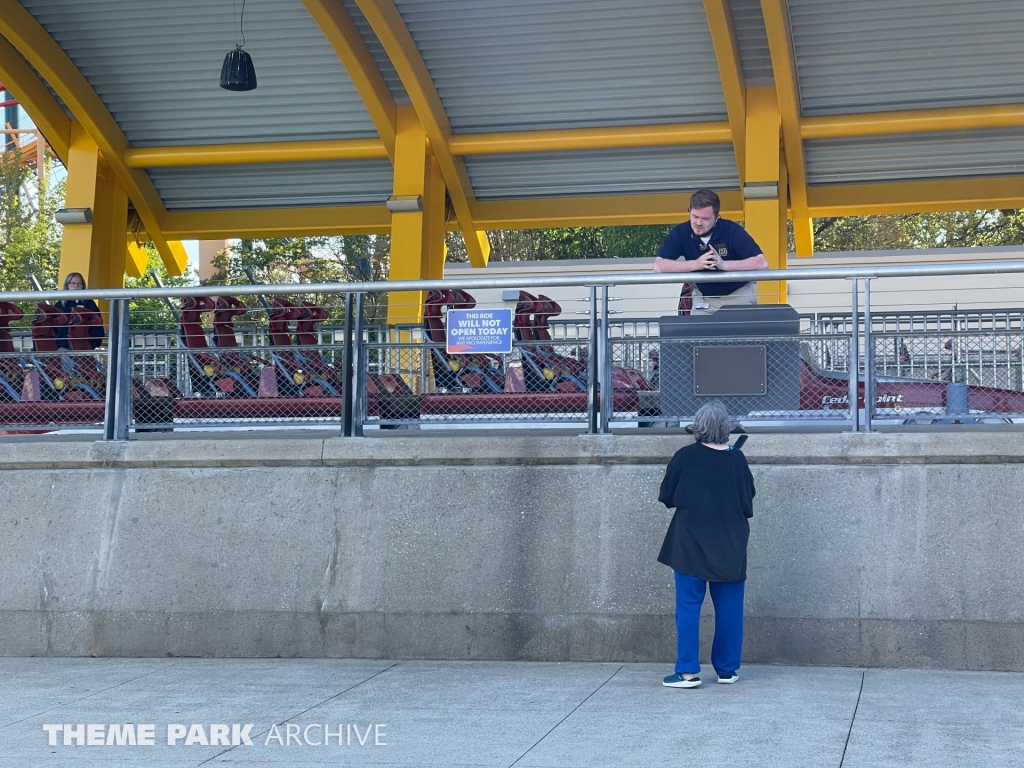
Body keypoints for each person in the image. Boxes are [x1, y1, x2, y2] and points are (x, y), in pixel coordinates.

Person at [657, 400, 756, 688]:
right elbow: (748, 501)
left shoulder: (684, 456)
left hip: (689, 543)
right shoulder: (737, 459)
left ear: (697, 427)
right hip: (731, 544)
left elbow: (667, 496)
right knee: (730, 609)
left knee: (688, 607)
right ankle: (726, 670)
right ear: (726, 427)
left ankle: (687, 672)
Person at [653, 188, 769, 315]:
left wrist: (724, 265)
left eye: (705, 219)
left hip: (738, 296)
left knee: (738, 334)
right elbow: (659, 266)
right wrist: (696, 264)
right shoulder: (681, 232)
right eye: (695, 216)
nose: (698, 222)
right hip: (704, 299)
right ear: (690, 211)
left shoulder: (731, 230)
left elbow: (761, 264)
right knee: (697, 333)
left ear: (717, 217)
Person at [55, 272, 104, 350]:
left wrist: (92, 344)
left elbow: (98, 326)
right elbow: (53, 327)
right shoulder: (60, 305)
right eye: (73, 283)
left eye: (79, 283)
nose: (76, 286)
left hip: (84, 347)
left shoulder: (89, 303)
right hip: (63, 347)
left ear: (83, 286)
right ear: (67, 285)